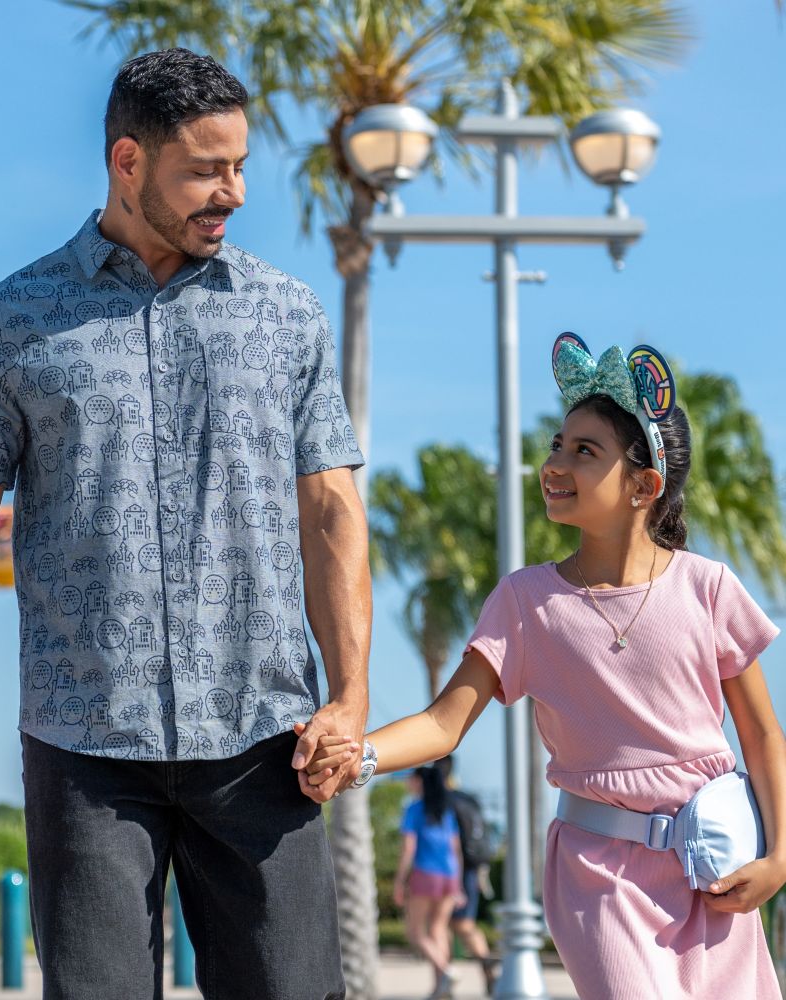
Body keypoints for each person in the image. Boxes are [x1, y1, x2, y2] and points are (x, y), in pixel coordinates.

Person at [0, 48, 371, 1000]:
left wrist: (351, 695)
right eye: (206, 169)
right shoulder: (12, 321)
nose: (234, 192)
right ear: (128, 162)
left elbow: (330, 513)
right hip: (84, 751)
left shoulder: (287, 317)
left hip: (262, 740)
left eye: (240, 166)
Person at [305, 336, 786, 998]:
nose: (555, 463)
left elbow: (762, 737)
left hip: (712, 866)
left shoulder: (709, 589)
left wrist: (780, 857)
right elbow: (444, 725)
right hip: (597, 876)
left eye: (584, 451)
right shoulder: (527, 602)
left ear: (645, 484)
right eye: (558, 445)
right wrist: (355, 756)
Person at [395, 765, 466, 1000]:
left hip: (425, 873)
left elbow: (408, 847)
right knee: (438, 929)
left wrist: (399, 881)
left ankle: (447, 972)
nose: (408, 783)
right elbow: (456, 849)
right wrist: (458, 884)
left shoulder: (414, 809)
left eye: (411, 779)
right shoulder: (446, 811)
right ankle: (441, 988)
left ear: (419, 782)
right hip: (449, 875)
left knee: (415, 932)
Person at [434, 755, 498, 996]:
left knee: (452, 924)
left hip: (452, 869)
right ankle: (483, 966)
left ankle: (459, 973)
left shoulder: (443, 800)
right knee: (455, 923)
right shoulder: (468, 798)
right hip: (472, 868)